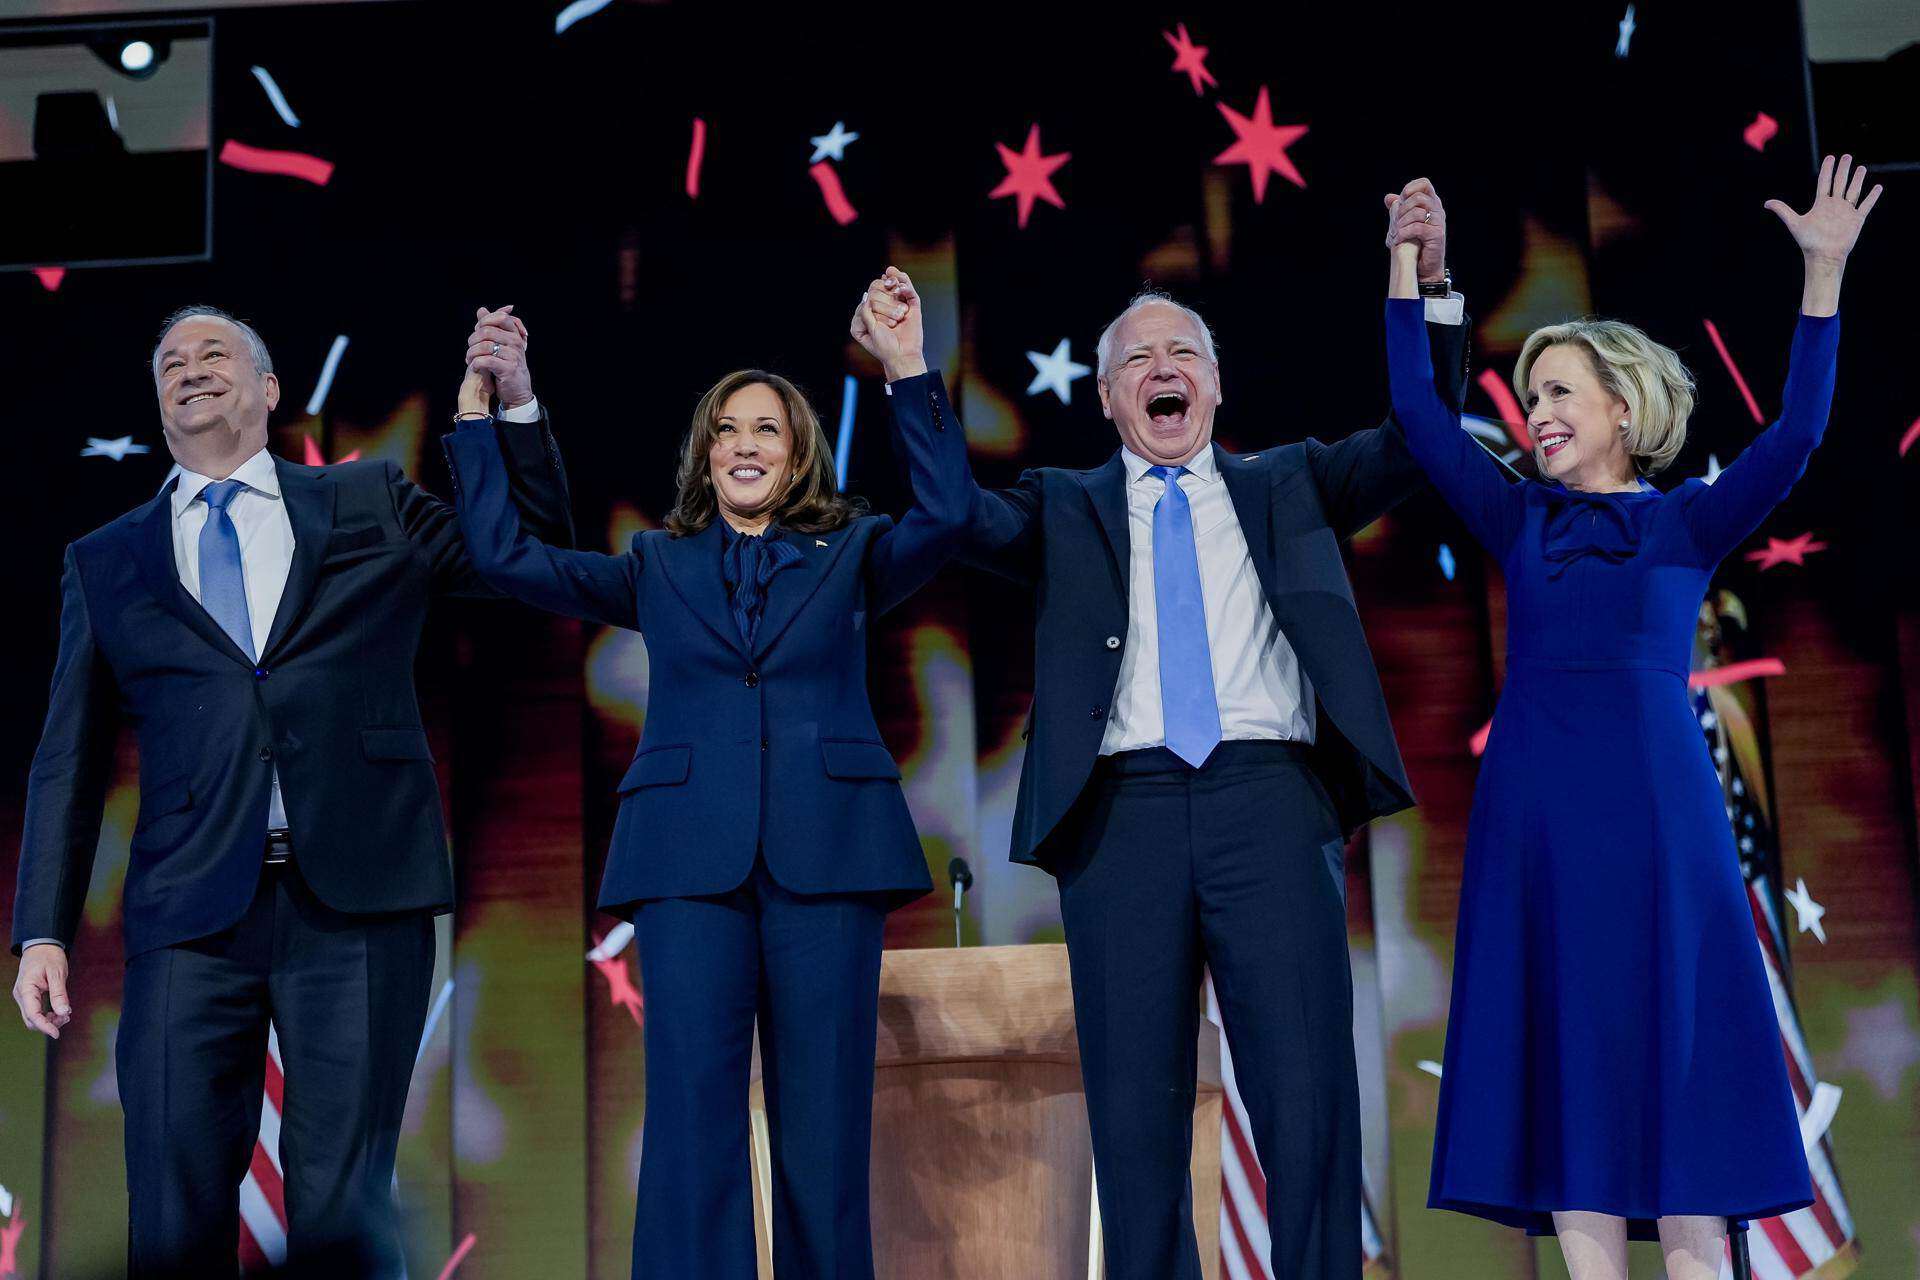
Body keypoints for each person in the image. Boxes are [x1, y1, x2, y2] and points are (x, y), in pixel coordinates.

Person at [901, 181, 1468, 1279]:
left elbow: (1423, 436)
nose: (1165, 368)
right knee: (1136, 1115)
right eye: (1139, 359)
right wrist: (915, 375)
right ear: (1110, 398)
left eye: (1185, 353)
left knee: (1306, 1100)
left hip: (1272, 801)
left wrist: (1427, 283)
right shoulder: (1063, 506)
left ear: (1214, 382)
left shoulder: (1292, 479)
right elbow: (948, 515)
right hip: (1124, 820)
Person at [1382, 156, 1879, 1280]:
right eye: (1533, 391)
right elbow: (1418, 410)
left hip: (1663, 828)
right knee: (1573, 1094)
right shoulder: (1516, 521)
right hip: (1540, 828)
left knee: (1683, 1084)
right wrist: (1406, 273)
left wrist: (1824, 276)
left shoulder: (1687, 525)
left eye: (1561, 390)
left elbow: (1798, 433)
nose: (1539, 410)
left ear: (1624, 405)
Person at [9, 303, 575, 1277]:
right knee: (172, 1204)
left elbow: (527, 563)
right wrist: (42, 929)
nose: (190, 368)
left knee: (339, 1206)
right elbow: (68, 753)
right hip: (189, 912)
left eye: (214, 352)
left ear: (270, 390)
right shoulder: (106, 559)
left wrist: (506, 416)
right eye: (170, 362)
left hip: (358, 898)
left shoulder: (367, 501)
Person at [439, 269, 967, 1279]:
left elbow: (944, 517)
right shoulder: (656, 562)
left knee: (824, 1137)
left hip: (828, 861)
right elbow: (508, 557)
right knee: (691, 1130)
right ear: (705, 453)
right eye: (728, 429)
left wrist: (906, 366)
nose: (746, 444)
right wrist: (479, 410)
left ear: (798, 448)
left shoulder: (851, 549)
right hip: (690, 868)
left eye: (767, 427)